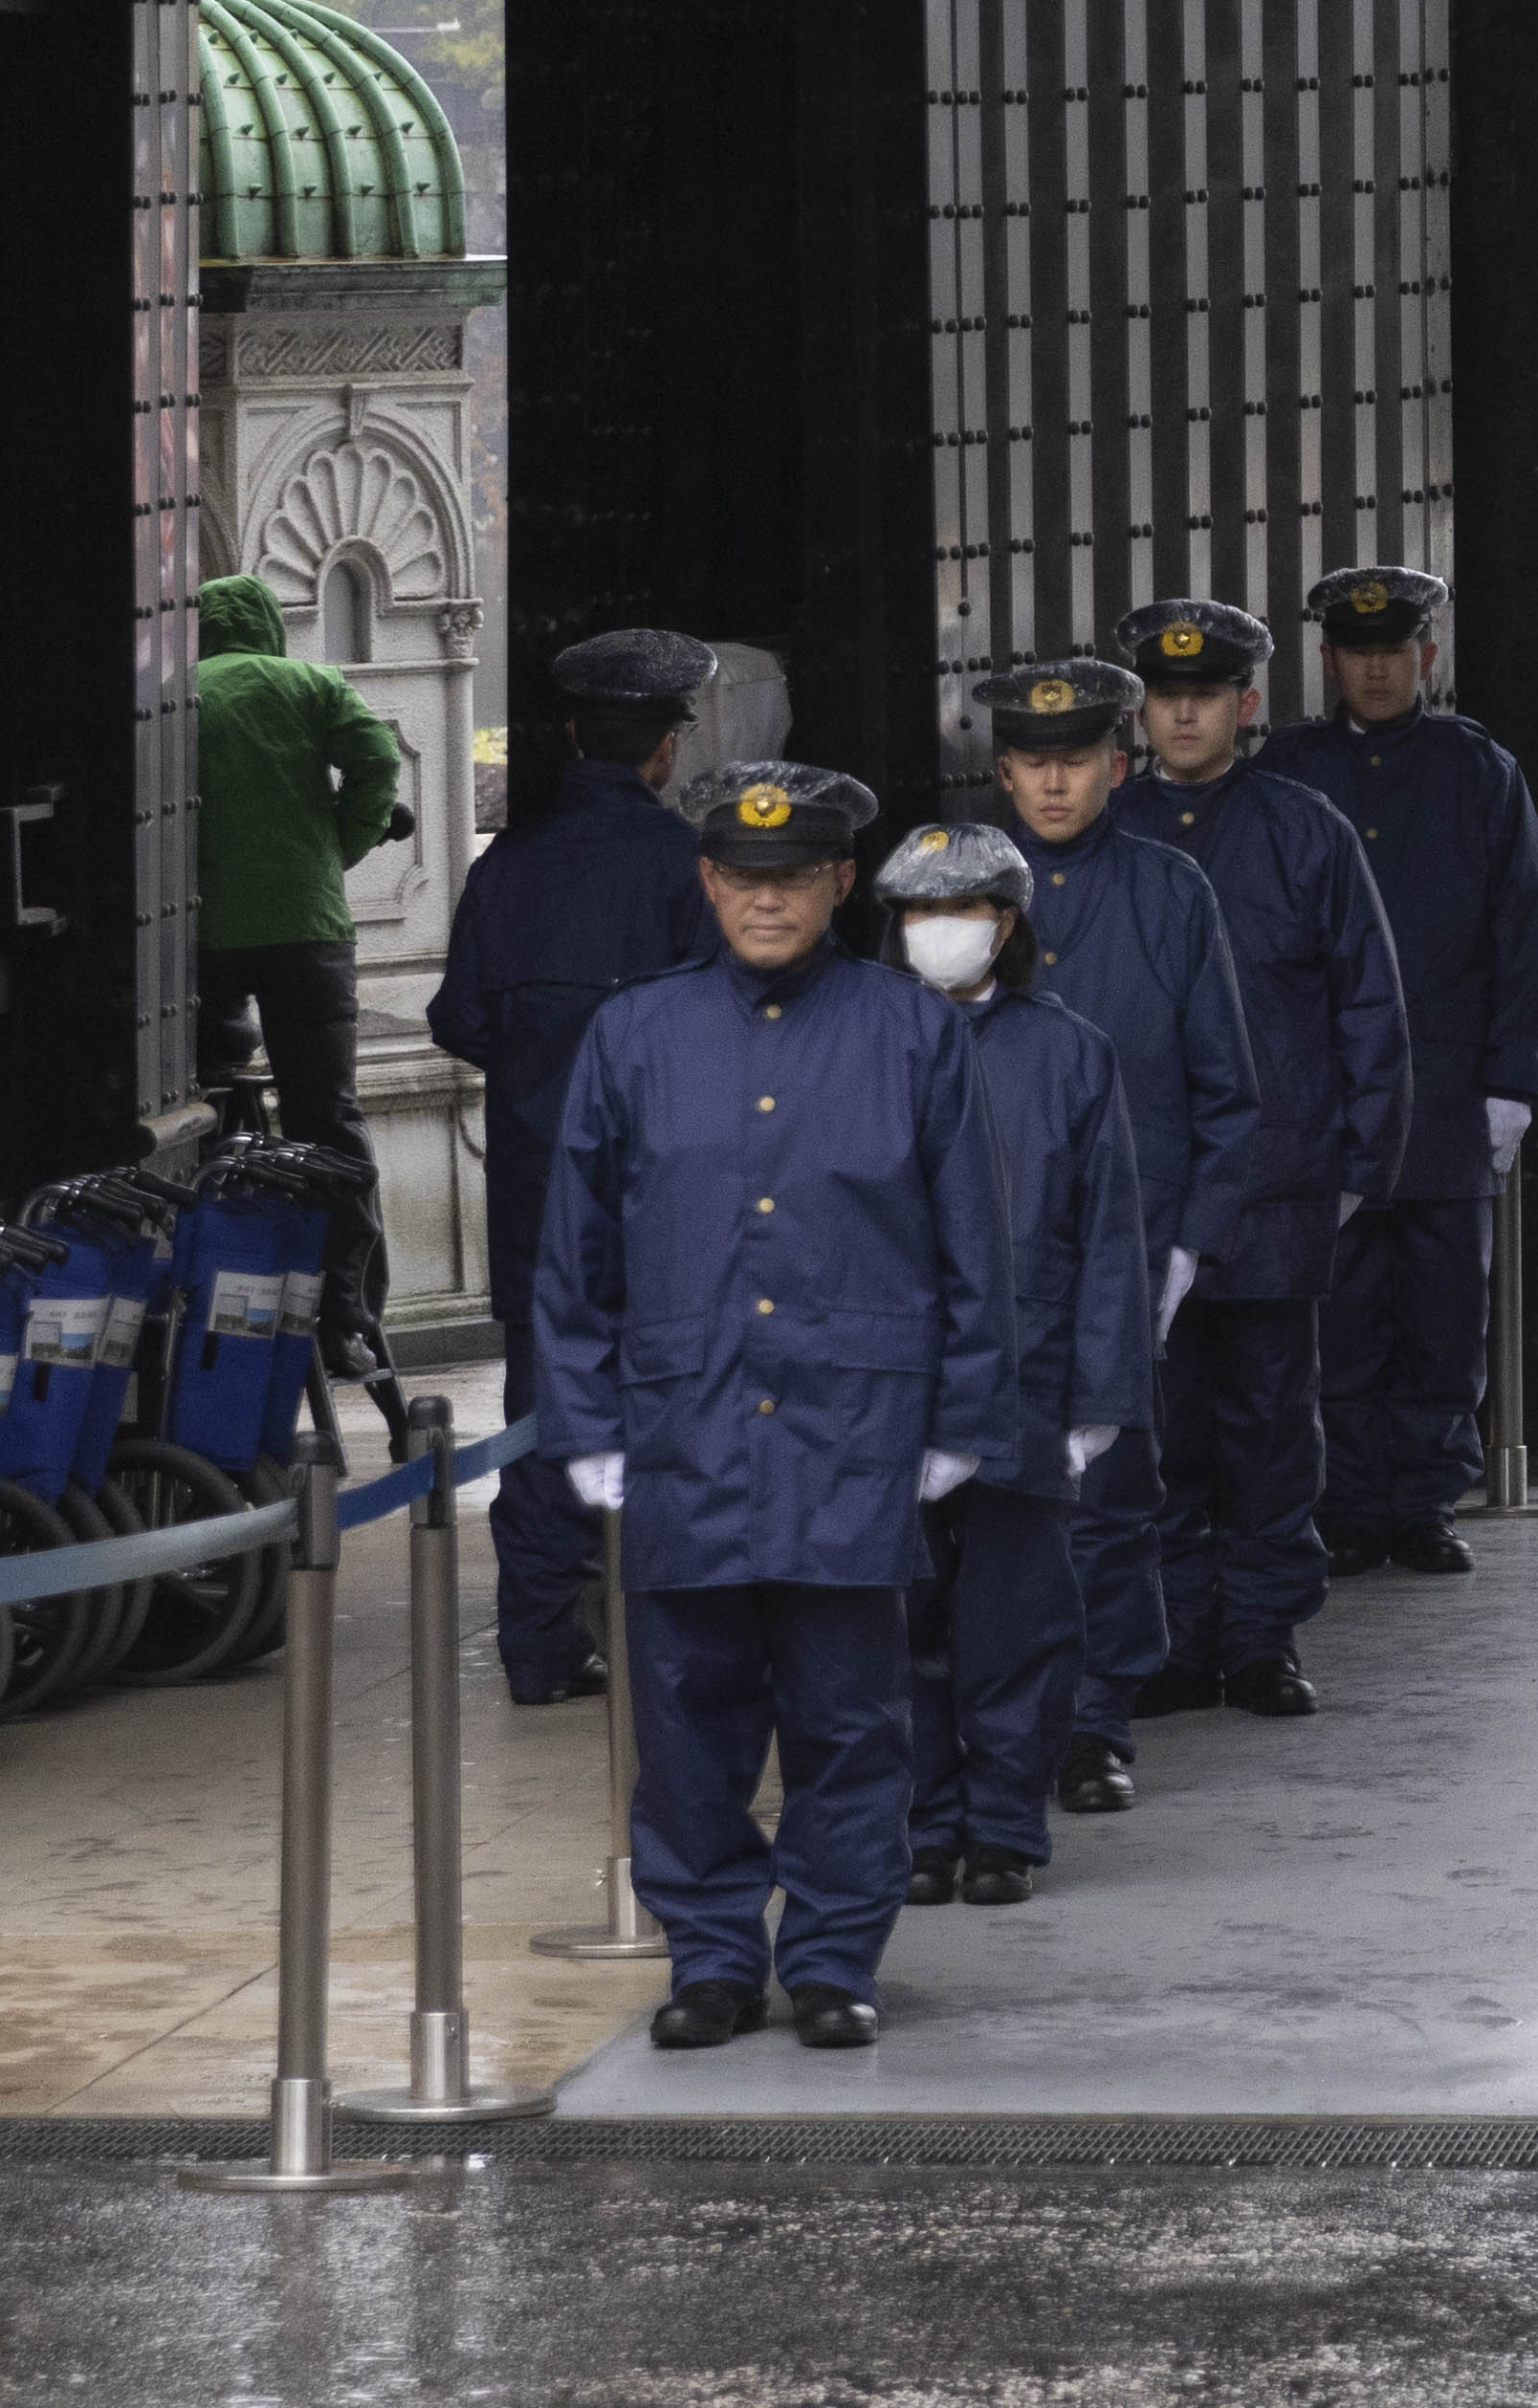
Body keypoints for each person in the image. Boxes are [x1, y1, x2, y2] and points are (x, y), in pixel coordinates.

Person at [532, 765, 1028, 2051]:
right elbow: (574, 1254)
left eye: (793, 879)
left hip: (854, 1433)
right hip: (682, 1430)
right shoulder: (634, 1036)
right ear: (707, 884)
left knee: (849, 1719)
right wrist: (582, 1430)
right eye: (743, 880)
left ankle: (828, 1958)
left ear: (838, 885)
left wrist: (960, 1419)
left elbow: (973, 1239)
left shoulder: (910, 1030)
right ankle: (707, 1955)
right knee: (688, 1719)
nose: (767, 902)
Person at [1107, 592, 1408, 1719]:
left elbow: (1366, 1005)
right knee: (1164, 1426)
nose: (1183, 719)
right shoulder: (1112, 833)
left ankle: (1264, 1636)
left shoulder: (1304, 830)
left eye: (1204, 698)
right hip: (1149, 1188)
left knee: (1274, 1424)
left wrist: (1357, 1168)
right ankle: (1181, 1634)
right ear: (1141, 710)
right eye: (1165, 697)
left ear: (1244, 704)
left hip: (1279, 1184)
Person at [974, 656, 1264, 1798]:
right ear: (1002, 771)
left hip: (1126, 1250)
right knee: (987, 1505)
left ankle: (1094, 1722)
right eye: (1033, 763)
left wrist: (1189, 1242)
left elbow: (1223, 1084)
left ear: (1116, 762)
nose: (1055, 784)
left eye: (1077, 760)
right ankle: (992, 1726)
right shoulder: (946, 898)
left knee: (1108, 1493)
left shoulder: (1169, 889)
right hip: (983, 1250)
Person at [424, 624, 731, 1699]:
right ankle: (682, 1635)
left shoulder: (507, 868)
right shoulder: (688, 868)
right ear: (666, 747)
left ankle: (540, 1640)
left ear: (567, 732)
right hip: (666, 1197)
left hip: (535, 1195)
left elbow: (457, 1016)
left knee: (542, 1419)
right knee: (682, 1408)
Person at [1261, 563, 1538, 1581]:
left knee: (1441, 1311)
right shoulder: (1288, 770)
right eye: (1358, 652)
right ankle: (1346, 1501)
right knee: (1338, 1312)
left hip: (1442, 1094)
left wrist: (1511, 1081)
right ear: (1330, 660)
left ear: (1424, 657)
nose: (1377, 668)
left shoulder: (1476, 770)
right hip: (1330, 1097)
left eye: (1394, 650)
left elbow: (1525, 929)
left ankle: (1426, 1497)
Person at [875, 819, 1141, 1914]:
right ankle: (924, 1824)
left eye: (968, 910)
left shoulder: (1067, 1049)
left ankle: (1002, 1827)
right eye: (923, 912)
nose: (945, 932)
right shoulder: (865, 1041)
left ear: (1010, 924)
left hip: (1028, 1381)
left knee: (1018, 1620)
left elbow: (1109, 1229)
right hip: (894, 1383)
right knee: (903, 1624)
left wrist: (1102, 1393)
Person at [188, 571, 415, 1221]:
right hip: (306, 931)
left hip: (204, 937)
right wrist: (342, 843)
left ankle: (227, 1249)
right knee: (327, 1112)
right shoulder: (311, 684)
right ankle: (348, 1298)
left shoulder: (178, 694)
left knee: (205, 1095)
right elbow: (376, 759)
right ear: (269, 626)